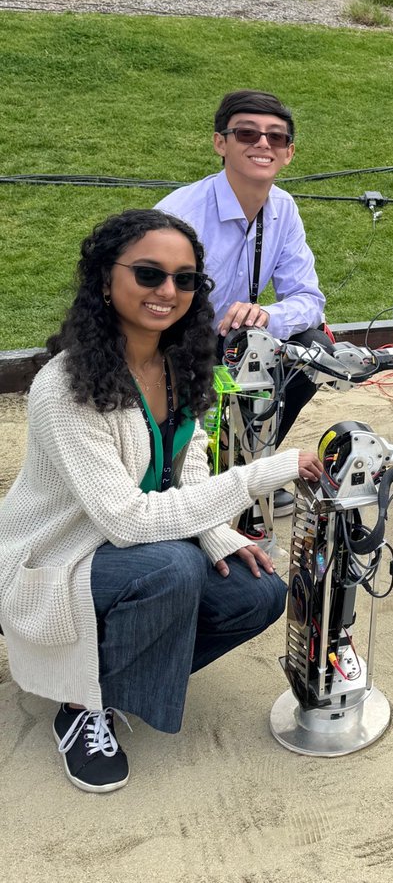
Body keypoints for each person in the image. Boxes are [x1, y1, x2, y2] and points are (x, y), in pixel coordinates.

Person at [0, 210, 322, 793]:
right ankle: (80, 705)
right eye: (149, 274)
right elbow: (124, 521)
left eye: (185, 278)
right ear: (105, 279)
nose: (167, 291)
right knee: (170, 569)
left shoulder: (177, 360)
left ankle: (117, 678)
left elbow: (189, 455)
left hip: (135, 543)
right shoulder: (65, 386)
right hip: (55, 555)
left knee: (259, 591)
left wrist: (216, 531)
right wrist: (260, 475)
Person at [157, 90, 326, 511]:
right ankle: (192, 482)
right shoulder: (182, 214)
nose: (263, 144)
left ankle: (250, 471)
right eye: (247, 133)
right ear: (221, 143)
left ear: (289, 153)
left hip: (231, 341)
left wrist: (267, 314)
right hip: (171, 340)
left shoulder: (283, 208)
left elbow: (308, 298)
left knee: (314, 350)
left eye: (276, 137)